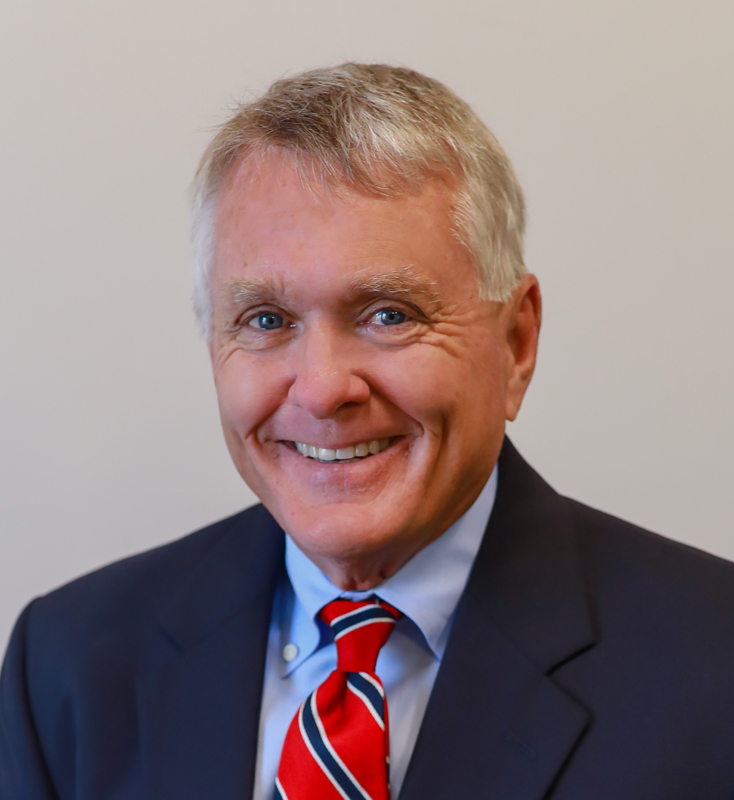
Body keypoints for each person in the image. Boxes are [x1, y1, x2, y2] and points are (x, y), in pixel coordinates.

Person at [1, 63, 734, 800]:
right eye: (265, 320)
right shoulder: (66, 667)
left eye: (390, 314)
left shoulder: (713, 665)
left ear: (516, 342)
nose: (322, 390)